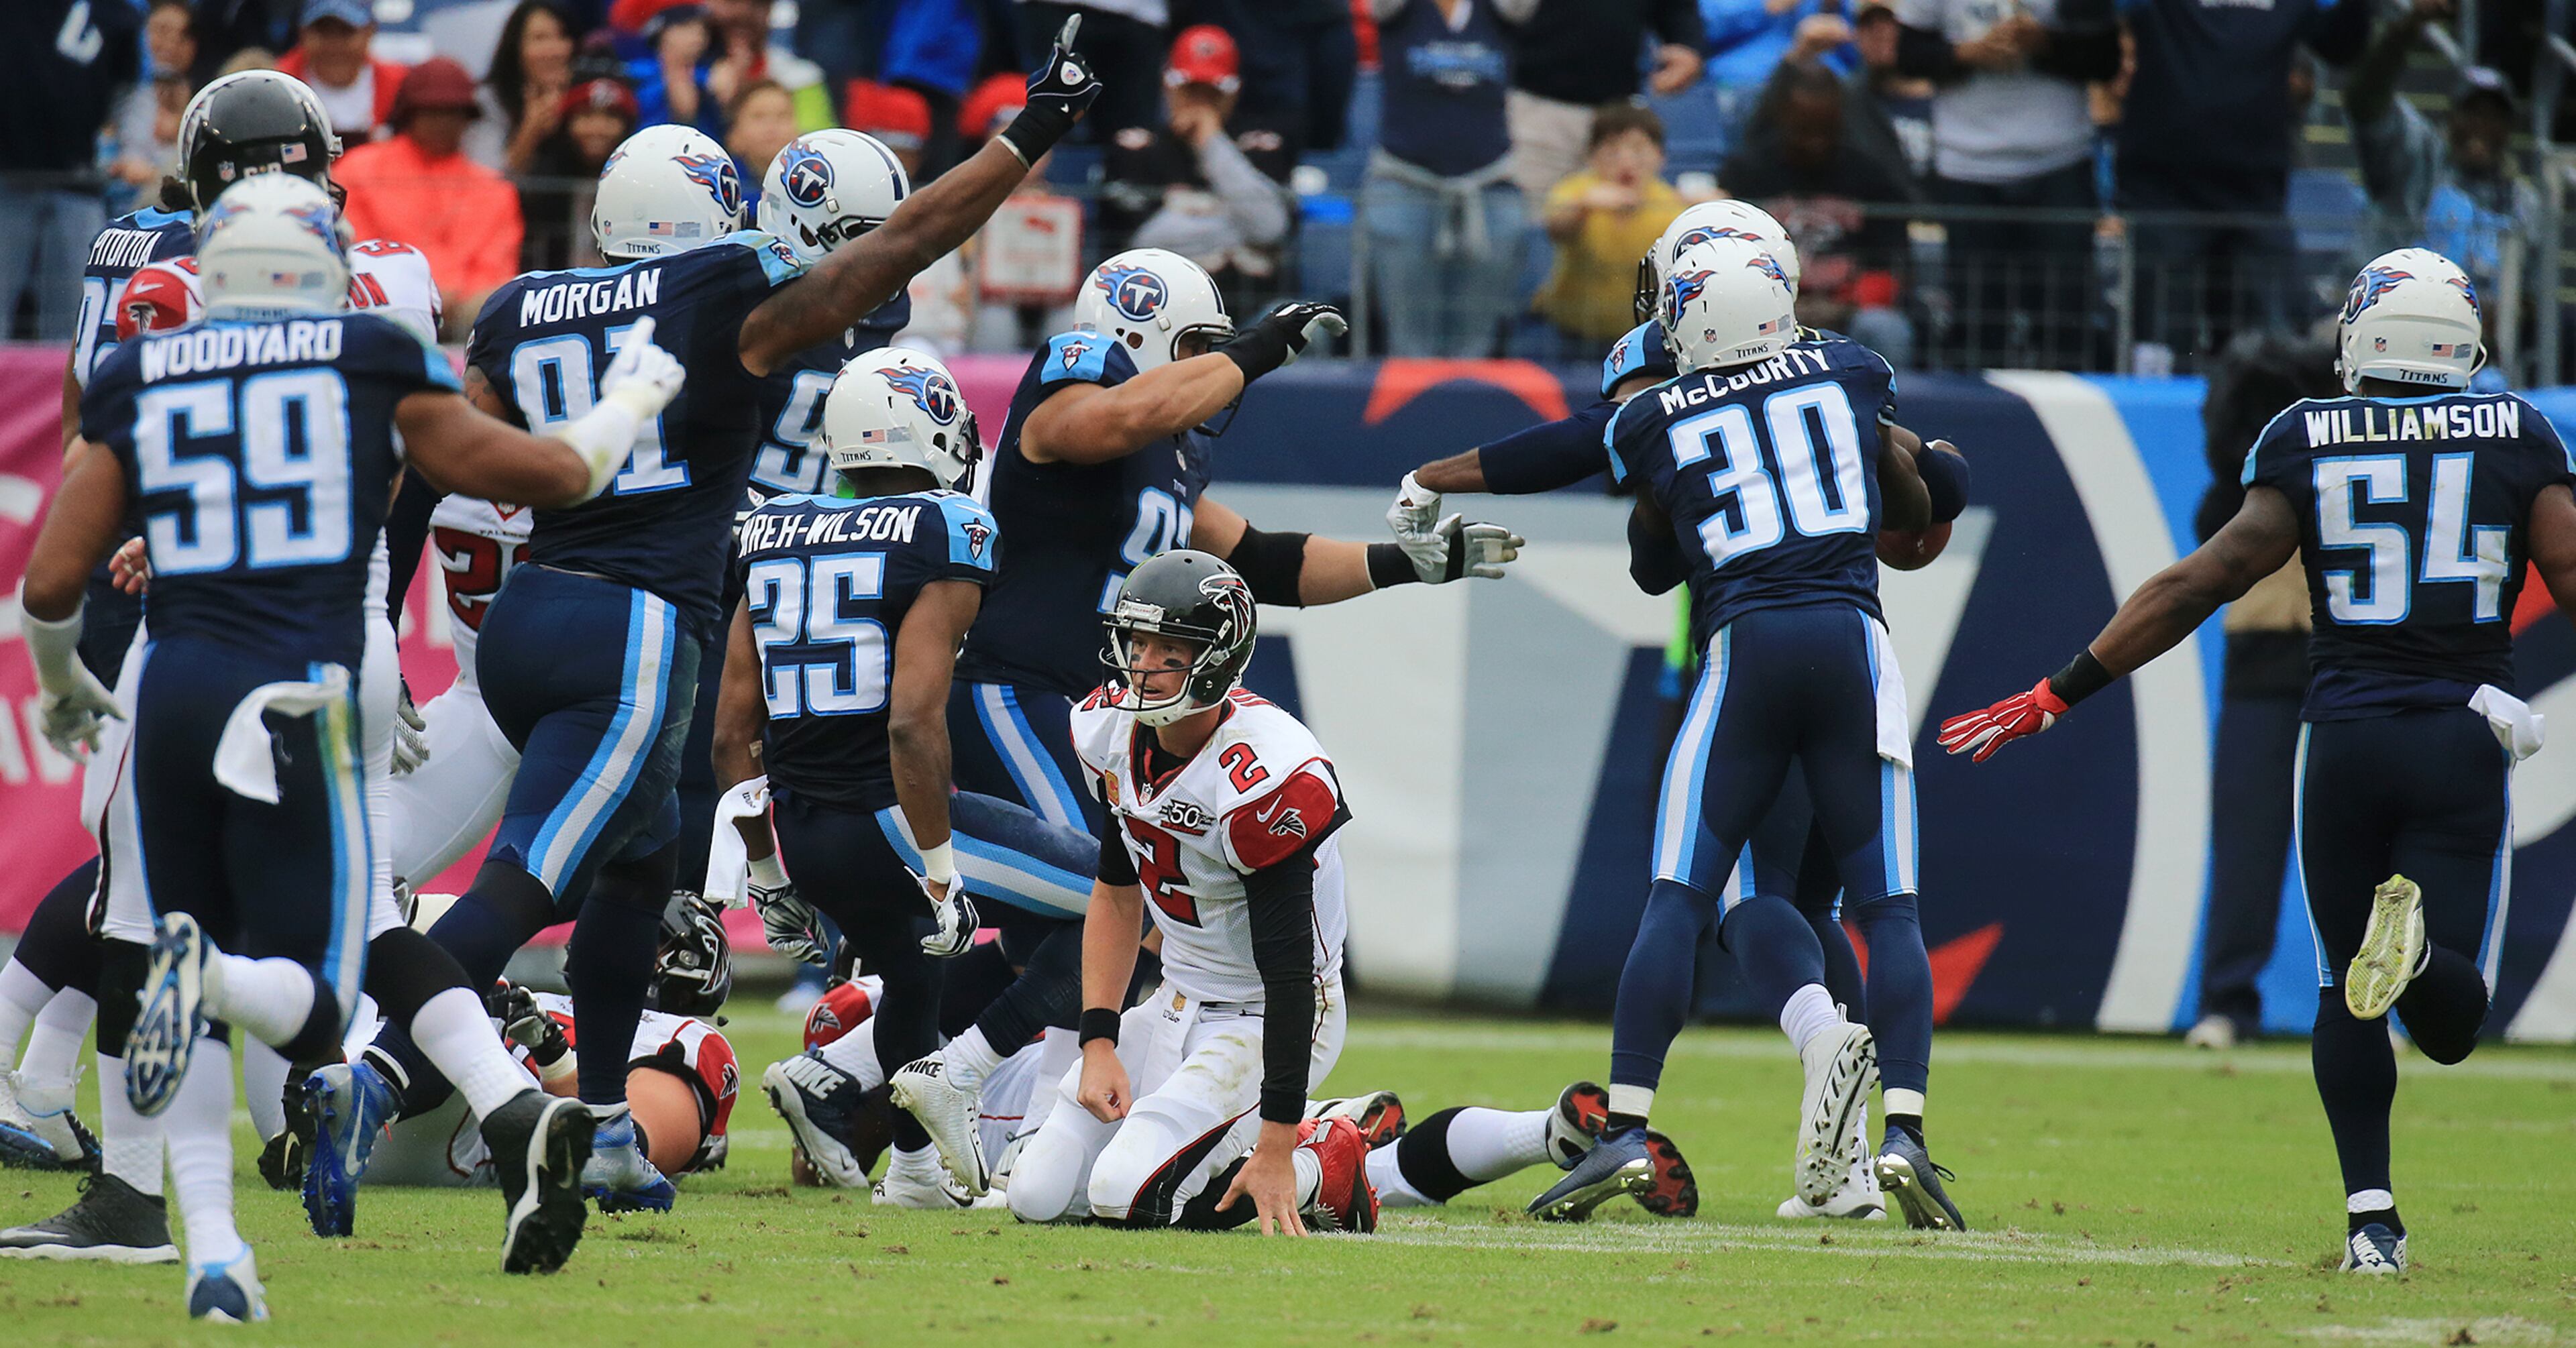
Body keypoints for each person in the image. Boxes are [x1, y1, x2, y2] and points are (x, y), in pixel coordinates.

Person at [334, 23, 1101, 1218]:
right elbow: (905, 240)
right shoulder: (724, 293)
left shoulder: (526, 302)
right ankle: (381, 1072)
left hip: (529, 618)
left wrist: (376, 621)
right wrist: (1035, 128)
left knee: (637, 880)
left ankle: (599, 1134)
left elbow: (421, 465)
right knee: (534, 876)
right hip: (634, 628)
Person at [16, 170, 680, 1319]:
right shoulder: (374, 354)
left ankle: (200, 1239)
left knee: (148, 942)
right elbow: (552, 473)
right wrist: (628, 399)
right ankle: (226, 1021)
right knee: (332, 972)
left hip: (174, 682)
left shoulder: (140, 366)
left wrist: (62, 684)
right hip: (312, 682)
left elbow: (49, 580)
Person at [1939, 247, 2566, 1276]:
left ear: (2360, 332)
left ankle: (2372, 1224)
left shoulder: (2305, 435)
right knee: (2449, 1020)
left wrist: (2058, 690)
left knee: (2339, 990)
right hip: (2462, 731)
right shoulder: (2518, 432)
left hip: (2343, 738)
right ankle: (2409, 960)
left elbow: (2204, 578)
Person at [879, 248, 1518, 1197]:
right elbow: (1121, 414)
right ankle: (943, 1071)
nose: (1213, 373)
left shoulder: (1171, 458)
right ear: (1139, 337)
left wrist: (1408, 563)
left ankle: (909, 1083)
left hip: (1092, 703)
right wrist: (1259, 348)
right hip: (1021, 690)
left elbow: (1268, 563)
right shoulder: (1082, 381)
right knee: (1105, 908)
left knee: (1074, 928)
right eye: (1196, 349)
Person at [1521, 235, 1966, 1233]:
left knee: (1732, 897)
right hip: (1845, 661)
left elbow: (1648, 560)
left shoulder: (1668, 378)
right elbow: (1942, 484)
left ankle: (1818, 1045)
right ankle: (1854, 1156)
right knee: (1826, 906)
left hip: (1737, 673)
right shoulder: (1837, 368)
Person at [726, 348, 1095, 1208]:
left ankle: (917, 1174)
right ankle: (963, 1071)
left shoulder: (770, 526)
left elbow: (730, 732)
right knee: (1125, 899)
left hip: (806, 831)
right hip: (892, 816)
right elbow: (910, 720)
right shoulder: (943, 527)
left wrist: (769, 873)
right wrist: (939, 866)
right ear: (926, 428)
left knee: (909, 967)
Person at [1005, 550, 1377, 1234]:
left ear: (1214, 661)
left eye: (1169, 649)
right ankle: (1245, 1148)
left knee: (1122, 1195)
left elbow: (1291, 975)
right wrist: (1099, 1040)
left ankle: (1318, 1161)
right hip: (1173, 999)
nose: (1143, 665)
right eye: (1138, 642)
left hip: (1268, 1017)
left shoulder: (1264, 773)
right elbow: (1118, 895)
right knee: (1036, 1194)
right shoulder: (1112, 733)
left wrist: (1274, 1141)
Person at [2182, 333, 2339, 1050]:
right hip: (2264, 663)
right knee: (2247, 846)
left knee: (2353, 845)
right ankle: (2225, 1001)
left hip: (2346, 663)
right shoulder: (2239, 489)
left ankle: (2365, 1006)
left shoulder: (2356, 464)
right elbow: (2214, 529)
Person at [2115, 0, 2367, 369]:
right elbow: (2091, 15)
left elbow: (2342, 46)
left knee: (2267, 358)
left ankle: (2261, 426)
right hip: (2164, 194)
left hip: (2255, 199)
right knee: (2161, 353)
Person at [1894, 0, 2119, 368]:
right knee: (1978, 317)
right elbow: (1908, 55)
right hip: (1967, 164)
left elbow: (2103, 57)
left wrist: (2046, 43)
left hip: (2058, 160)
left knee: (2065, 316)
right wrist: (1967, 53)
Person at [1362, 0, 1536, 357]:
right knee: (1409, 342)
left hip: (1489, 184)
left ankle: (1470, 409)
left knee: (1476, 343)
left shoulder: (1503, 10)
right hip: (1405, 182)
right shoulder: (1396, 9)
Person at [1720, 60, 1921, 366]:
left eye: (1824, 130)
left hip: (1849, 314)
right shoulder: (1746, 173)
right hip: (1765, 318)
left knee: (1886, 328)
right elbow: (1727, 266)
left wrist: (1846, 306)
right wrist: (1782, 310)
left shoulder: (1869, 175)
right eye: (1804, 130)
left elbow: (1892, 264)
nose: (1815, 142)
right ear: (1782, 117)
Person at [2343, 0, 2533, 319]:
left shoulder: (2523, 203)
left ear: (2509, 130)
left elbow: (2529, 297)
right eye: (2472, 113)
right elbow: (2363, 101)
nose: (2481, 126)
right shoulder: (2416, 154)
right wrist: (2406, 29)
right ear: (2450, 117)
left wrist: (2502, 312)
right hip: (2386, 321)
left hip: (2471, 345)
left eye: (2494, 118)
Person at [1100, 24, 1295, 315]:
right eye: (1190, 90)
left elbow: (1269, 228)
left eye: (1213, 93)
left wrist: (1211, 141)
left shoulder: (1262, 147)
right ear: (1168, 86)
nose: (1200, 104)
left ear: (1233, 92)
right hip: (1158, 311)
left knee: (1289, 317)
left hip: (1251, 307)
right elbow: (1143, 244)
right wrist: (1235, 233)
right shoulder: (1136, 149)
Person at [333, 58, 527, 333]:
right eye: (432, 112)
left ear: (468, 118)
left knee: (491, 306)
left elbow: (496, 268)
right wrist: (419, 293)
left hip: (464, 318)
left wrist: (447, 294)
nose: (444, 122)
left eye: (454, 113)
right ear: (409, 113)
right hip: (380, 305)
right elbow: (354, 247)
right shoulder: (359, 168)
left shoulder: (495, 189)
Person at [1, 0, 138, 343]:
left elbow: (131, 85)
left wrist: (126, 146)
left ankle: (66, 398)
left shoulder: (115, 11)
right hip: (5, 183)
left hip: (78, 185)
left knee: (76, 325)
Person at [1505, 0, 1705, 201]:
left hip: (1618, 110)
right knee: (1536, 211)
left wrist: (1687, 44)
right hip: (1540, 101)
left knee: (1624, 210)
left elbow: (1678, 12)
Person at [1537, 104, 1684, 348]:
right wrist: (1583, 207)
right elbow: (1555, 228)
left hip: (1642, 337)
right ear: (1592, 156)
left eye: (1638, 150)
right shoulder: (1575, 190)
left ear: (1660, 157)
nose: (1626, 162)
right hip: (1569, 333)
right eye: (1612, 151)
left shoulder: (1670, 205)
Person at [521, 76, 642, 269]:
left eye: (610, 117)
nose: (598, 129)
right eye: (586, 116)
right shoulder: (546, 180)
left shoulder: (640, 183)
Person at [465, 0, 578, 174]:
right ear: (516, 48)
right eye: (540, 38)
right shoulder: (488, 100)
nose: (554, 50)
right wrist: (530, 131)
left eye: (562, 36)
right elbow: (488, 181)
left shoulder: (585, 93)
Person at [275, 0, 407, 142]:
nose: (334, 46)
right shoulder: (277, 85)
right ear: (302, 32)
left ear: (369, 32)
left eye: (346, 32)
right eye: (323, 32)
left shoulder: (400, 86)